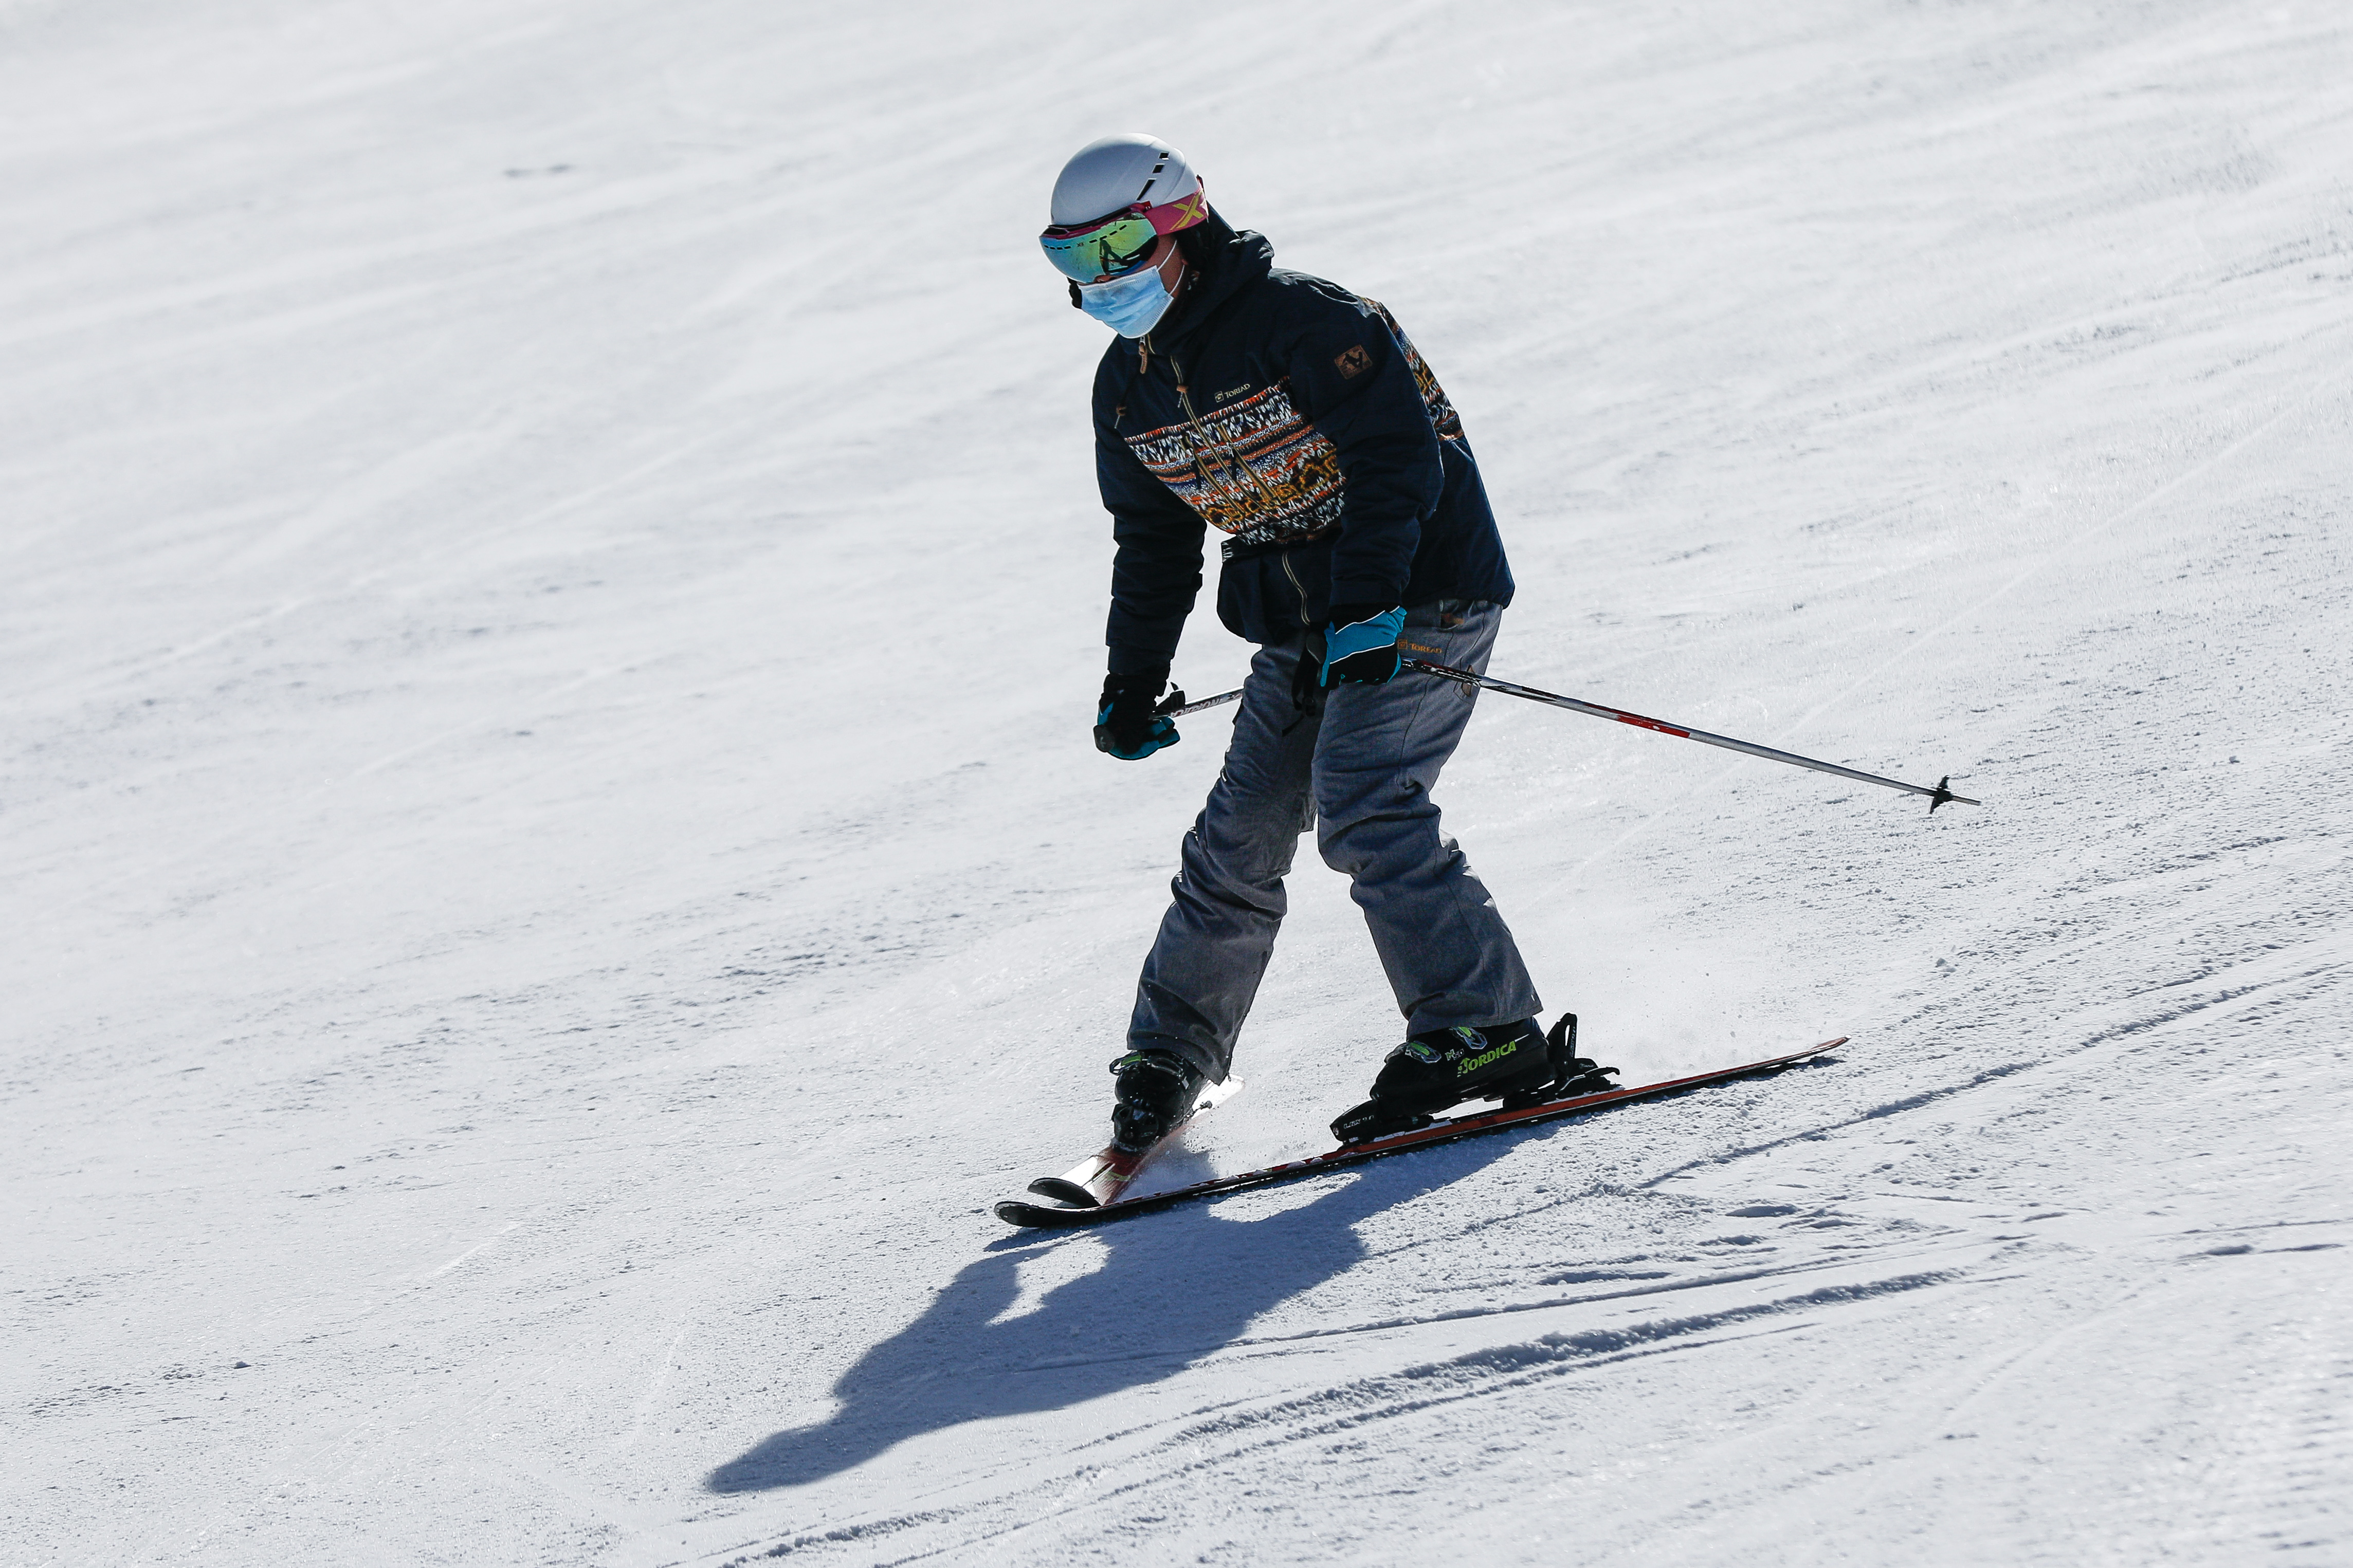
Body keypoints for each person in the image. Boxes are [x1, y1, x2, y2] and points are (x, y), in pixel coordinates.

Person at [1039, 133, 1605, 1151]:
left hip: (1421, 596)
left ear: (1180, 223)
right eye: (1073, 261)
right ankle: (1172, 1055)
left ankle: (1485, 1025)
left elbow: (1399, 467)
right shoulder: (1127, 392)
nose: (1102, 281)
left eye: (1118, 246)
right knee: (1236, 840)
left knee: (1364, 799)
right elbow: (1155, 545)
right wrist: (1132, 681)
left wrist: (1375, 610)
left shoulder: (1308, 321)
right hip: (1302, 626)